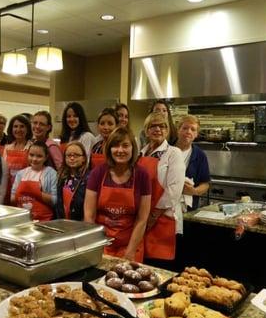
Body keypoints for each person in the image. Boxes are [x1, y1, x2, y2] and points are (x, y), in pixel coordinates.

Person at [84, 127, 151, 262]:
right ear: (109, 149)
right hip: (102, 244)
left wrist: (130, 252)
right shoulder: (98, 173)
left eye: (125, 145)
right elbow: (89, 215)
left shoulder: (142, 175)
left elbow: (142, 219)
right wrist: (97, 246)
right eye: (115, 145)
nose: (120, 150)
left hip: (131, 245)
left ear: (133, 148)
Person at [139, 113, 185, 263]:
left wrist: (153, 216)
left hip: (163, 217)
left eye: (162, 126)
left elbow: (174, 190)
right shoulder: (140, 153)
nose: (158, 129)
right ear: (146, 130)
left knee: (159, 266)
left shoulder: (174, 153)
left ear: (167, 130)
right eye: (153, 126)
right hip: (142, 217)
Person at [11, 141, 57, 221]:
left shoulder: (51, 173)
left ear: (46, 157)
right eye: (31, 155)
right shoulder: (20, 174)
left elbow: (55, 200)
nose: (34, 159)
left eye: (39, 156)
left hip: (44, 220)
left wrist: (36, 192)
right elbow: (12, 198)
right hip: (22, 219)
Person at [174, 114, 210, 213]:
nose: (188, 132)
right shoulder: (167, 149)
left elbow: (205, 184)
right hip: (165, 207)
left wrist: (193, 191)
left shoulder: (200, 155)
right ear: (178, 130)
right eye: (185, 128)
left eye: (193, 129)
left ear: (196, 134)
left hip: (188, 210)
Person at [3, 114, 33, 204]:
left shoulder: (32, 147)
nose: (18, 130)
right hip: (7, 189)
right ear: (11, 129)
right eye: (15, 126)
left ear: (28, 129)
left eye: (22, 126)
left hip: (26, 190)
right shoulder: (7, 148)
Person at [55, 141, 89, 221]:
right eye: (69, 155)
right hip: (63, 221)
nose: (72, 158)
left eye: (76, 155)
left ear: (84, 158)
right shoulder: (62, 177)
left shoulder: (88, 178)